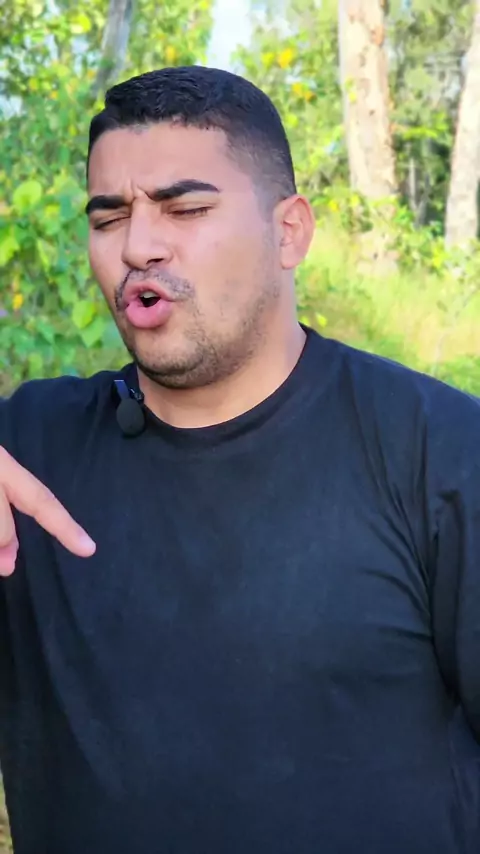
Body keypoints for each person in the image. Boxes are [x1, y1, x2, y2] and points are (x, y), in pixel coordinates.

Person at [0, 65, 479, 854]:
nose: (138, 246)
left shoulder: (439, 451)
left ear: (289, 232)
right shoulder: (29, 454)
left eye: (185, 208)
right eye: (109, 216)